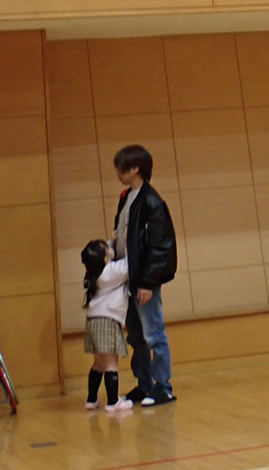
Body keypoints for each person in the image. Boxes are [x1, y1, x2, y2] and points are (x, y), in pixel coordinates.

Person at [113, 145, 177, 406]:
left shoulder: (152, 202)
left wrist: (148, 282)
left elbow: (160, 246)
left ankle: (163, 387)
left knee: (153, 334)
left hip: (143, 280)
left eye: (122, 168)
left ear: (135, 168)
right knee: (136, 336)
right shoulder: (127, 197)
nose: (118, 173)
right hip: (128, 277)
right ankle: (144, 384)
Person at [81, 239, 132, 413]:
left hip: (93, 321)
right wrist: (128, 240)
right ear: (104, 257)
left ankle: (91, 399)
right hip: (107, 321)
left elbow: (105, 250)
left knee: (98, 363)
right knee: (111, 363)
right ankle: (113, 402)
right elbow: (127, 265)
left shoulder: (92, 273)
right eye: (107, 247)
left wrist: (112, 238)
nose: (110, 247)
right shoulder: (110, 271)